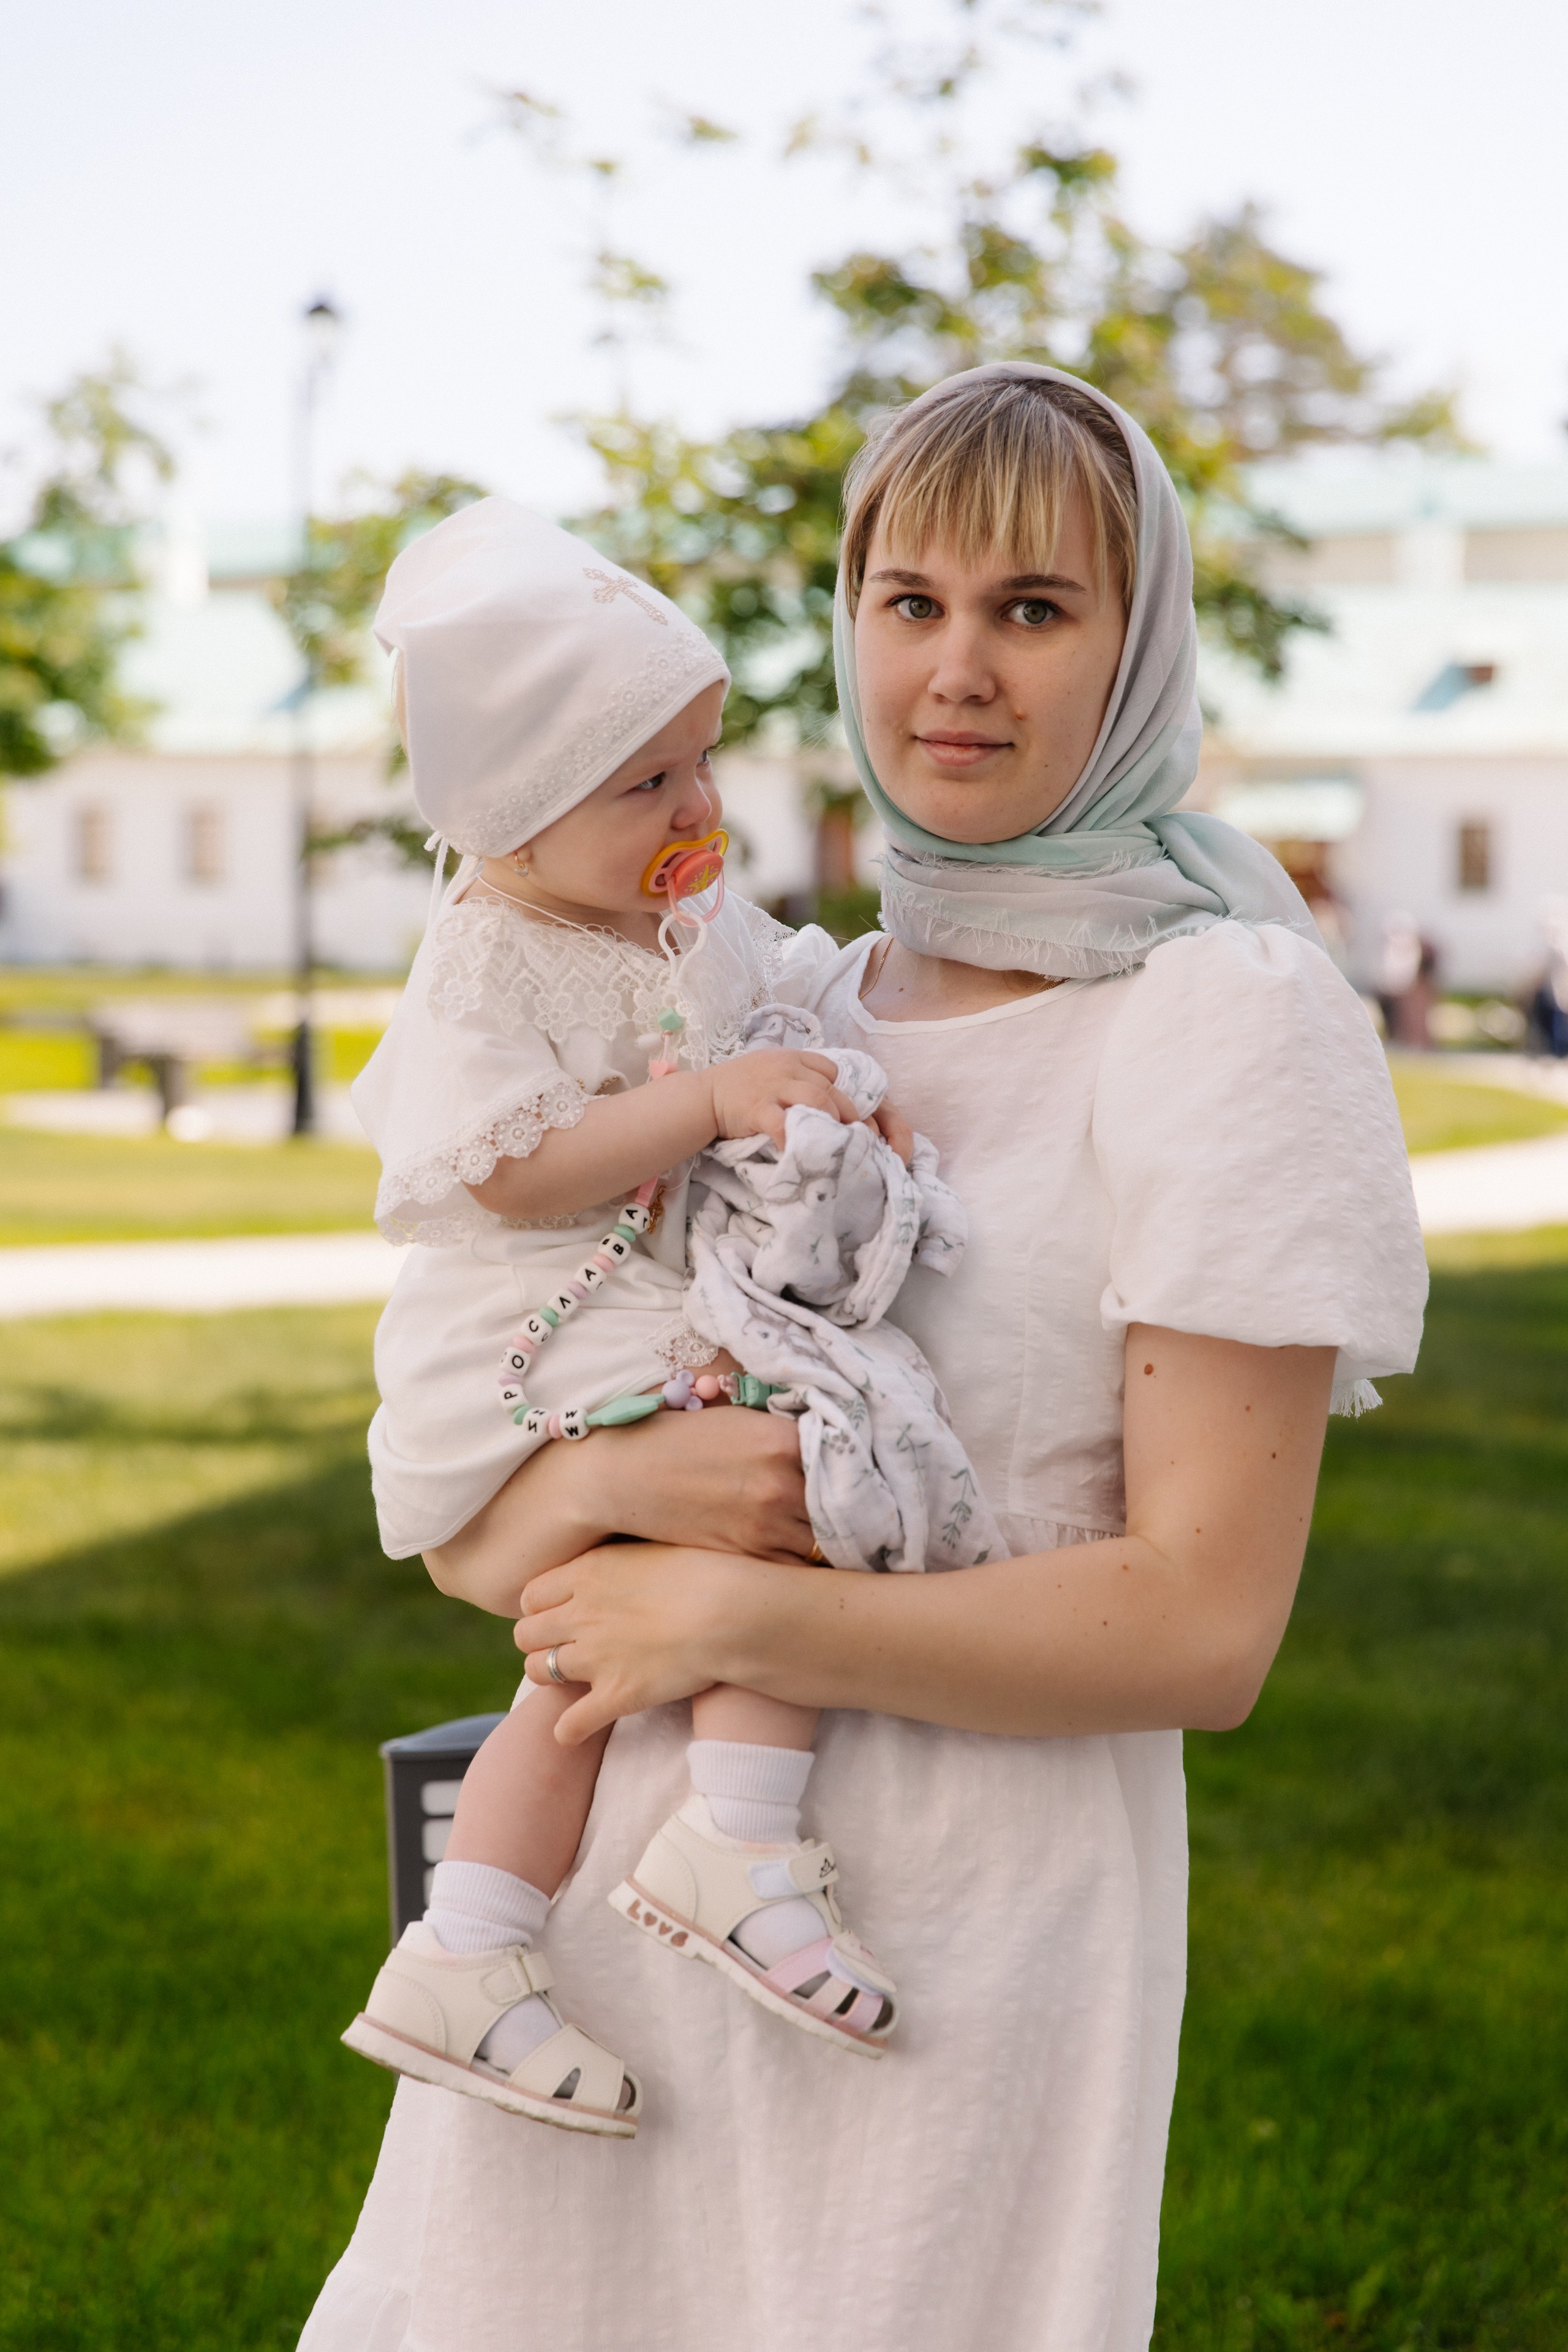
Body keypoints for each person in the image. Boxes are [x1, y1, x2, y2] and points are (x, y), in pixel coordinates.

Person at [301, 365, 1427, 2352]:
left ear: (1139, 640)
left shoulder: (1226, 1018)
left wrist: (730, 1608)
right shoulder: (794, 1004)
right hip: (589, 1945)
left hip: (947, 1951)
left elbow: (1205, 1631)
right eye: (909, 604)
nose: (957, 675)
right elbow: (481, 1527)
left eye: (1036, 608)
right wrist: (617, 1500)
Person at [342, 499, 1000, 2142]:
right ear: (515, 807)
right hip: (534, 1332)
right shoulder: (490, 958)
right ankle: (741, 1845)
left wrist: (831, 1087)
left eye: (702, 762)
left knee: (591, 1657)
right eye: (647, 785)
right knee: (791, 1498)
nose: (700, 806)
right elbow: (507, 1175)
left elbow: (780, 1010)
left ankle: (472, 1942)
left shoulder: (680, 917)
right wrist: (710, 1101)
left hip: (629, 1315)